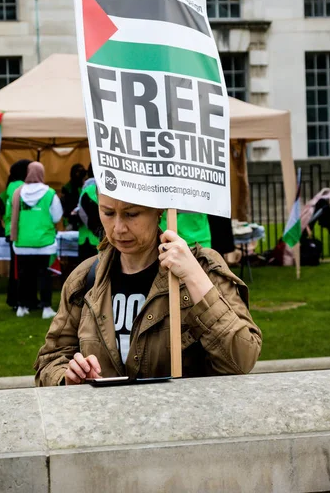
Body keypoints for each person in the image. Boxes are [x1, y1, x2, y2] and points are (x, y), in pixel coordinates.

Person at [34, 194, 262, 386]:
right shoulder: (85, 278)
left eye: (132, 214)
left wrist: (194, 276)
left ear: (158, 211)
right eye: (108, 213)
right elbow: (50, 360)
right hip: (106, 431)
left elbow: (240, 360)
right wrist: (67, 377)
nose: (119, 228)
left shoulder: (202, 269)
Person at [11, 162, 63, 319]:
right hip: (44, 243)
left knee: (23, 275)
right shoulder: (50, 194)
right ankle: (46, 308)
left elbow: (13, 215)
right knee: (44, 275)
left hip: (23, 242)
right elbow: (57, 216)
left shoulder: (18, 192)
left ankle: (22, 306)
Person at [0, 159, 31, 308]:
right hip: (17, 232)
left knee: (18, 267)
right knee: (18, 269)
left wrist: (4, 218)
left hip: (12, 231)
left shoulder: (10, 186)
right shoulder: (20, 186)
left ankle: (16, 299)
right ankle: (17, 300)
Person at [77, 164, 103, 262]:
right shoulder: (106, 188)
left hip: (87, 238)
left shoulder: (86, 190)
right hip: (98, 239)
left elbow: (82, 213)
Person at [60, 163, 86, 230]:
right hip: (70, 221)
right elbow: (63, 206)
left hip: (83, 222)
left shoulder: (85, 187)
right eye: (78, 172)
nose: (80, 174)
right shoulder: (67, 188)